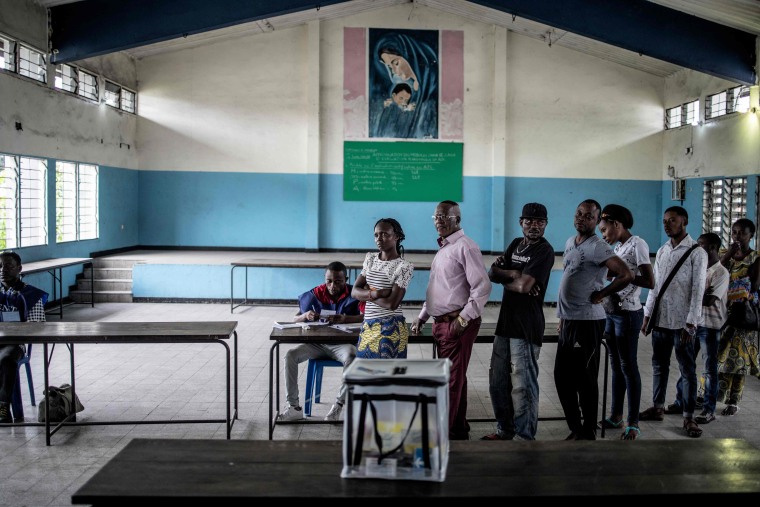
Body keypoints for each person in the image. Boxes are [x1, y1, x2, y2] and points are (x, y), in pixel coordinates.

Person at [411, 200, 492, 440]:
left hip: (456, 324)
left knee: (450, 381)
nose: (438, 221)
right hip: (441, 322)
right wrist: (423, 316)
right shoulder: (444, 248)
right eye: (436, 217)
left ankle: (442, 435)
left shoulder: (465, 247)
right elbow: (439, 288)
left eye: (444, 216)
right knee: (455, 379)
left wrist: (463, 320)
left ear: (457, 219)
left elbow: (482, 287)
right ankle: (457, 429)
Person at [554, 199, 634, 441]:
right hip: (569, 320)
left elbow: (626, 274)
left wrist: (601, 294)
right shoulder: (571, 242)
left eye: (589, 216)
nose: (582, 218)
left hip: (587, 322)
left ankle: (586, 431)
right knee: (561, 376)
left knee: (584, 379)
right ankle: (577, 428)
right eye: (579, 213)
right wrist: (563, 317)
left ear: (596, 221)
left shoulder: (598, 246)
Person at [481, 203, 554, 441]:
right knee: (498, 381)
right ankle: (505, 430)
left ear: (545, 224)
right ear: (521, 222)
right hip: (505, 323)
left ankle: (524, 438)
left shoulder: (544, 251)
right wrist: (513, 274)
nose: (534, 226)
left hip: (526, 326)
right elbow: (492, 273)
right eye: (529, 221)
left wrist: (513, 276)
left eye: (539, 222)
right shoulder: (515, 244)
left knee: (523, 386)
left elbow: (525, 286)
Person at [639, 206, 707, 439]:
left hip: (682, 324)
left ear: (684, 222)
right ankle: (658, 407)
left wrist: (691, 323)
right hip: (661, 320)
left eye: (673, 220)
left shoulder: (697, 253)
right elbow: (655, 287)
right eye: (665, 221)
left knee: (687, 370)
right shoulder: (663, 250)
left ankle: (688, 417)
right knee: (659, 365)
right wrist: (647, 315)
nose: (667, 224)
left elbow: (698, 291)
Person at [277, 262, 364, 422]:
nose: (332, 285)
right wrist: (306, 315)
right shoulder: (316, 293)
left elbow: (366, 316)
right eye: (329, 281)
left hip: (341, 345)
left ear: (346, 279)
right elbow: (295, 318)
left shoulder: (355, 293)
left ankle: (338, 405)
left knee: (353, 356)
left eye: (338, 281)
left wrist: (346, 318)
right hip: (317, 344)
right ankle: (294, 407)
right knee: (290, 355)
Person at [596, 204, 654, 441]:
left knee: (629, 367)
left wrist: (624, 278)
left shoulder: (637, 244)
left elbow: (650, 281)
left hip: (629, 314)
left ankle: (633, 423)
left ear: (616, 224)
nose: (603, 235)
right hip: (612, 312)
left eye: (605, 229)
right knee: (616, 364)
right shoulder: (620, 246)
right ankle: (616, 415)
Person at [716, 218, 760, 417]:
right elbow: (714, 272)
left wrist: (740, 290)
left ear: (751, 235)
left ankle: (734, 401)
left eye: (742, 233)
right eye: (734, 232)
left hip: (742, 316)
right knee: (717, 357)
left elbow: (755, 286)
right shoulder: (724, 254)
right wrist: (729, 256)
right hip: (721, 313)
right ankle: (709, 394)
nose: (737, 236)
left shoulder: (756, 258)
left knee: (738, 361)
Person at [352, 218, 414, 359]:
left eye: (385, 234)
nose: (379, 238)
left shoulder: (404, 267)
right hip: (368, 326)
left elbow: (391, 304)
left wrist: (367, 292)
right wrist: (378, 293)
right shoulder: (370, 259)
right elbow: (354, 291)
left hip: (390, 327)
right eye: (376, 235)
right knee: (364, 376)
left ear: (396, 237)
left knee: (386, 377)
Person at [0, 251, 48, 423]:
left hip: (15, 344)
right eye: (0, 266)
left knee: (6, 359)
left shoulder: (30, 295)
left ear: (19, 269)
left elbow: (36, 326)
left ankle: (3, 407)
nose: (2, 270)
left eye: (8, 266)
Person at [686, 233, 729, 425]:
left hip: (710, 326)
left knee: (709, 369)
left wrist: (690, 295)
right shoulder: (699, 268)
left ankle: (709, 409)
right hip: (693, 323)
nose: (697, 248)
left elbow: (710, 299)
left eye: (701, 245)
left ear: (712, 248)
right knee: (686, 366)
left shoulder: (720, 273)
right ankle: (683, 402)